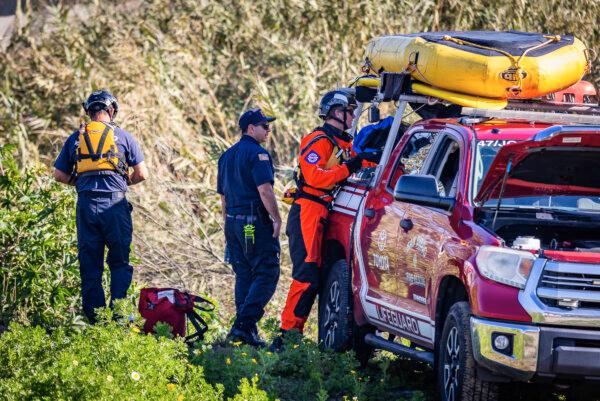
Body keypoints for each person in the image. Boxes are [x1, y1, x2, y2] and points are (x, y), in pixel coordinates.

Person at [272, 89, 363, 350]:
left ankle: (294, 335)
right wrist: (349, 167)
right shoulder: (318, 140)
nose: (353, 116)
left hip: (322, 212)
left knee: (316, 276)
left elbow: (359, 164)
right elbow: (316, 177)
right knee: (306, 275)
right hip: (308, 212)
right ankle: (287, 335)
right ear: (337, 112)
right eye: (350, 111)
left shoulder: (343, 143)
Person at [53, 89, 147, 323]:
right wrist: (124, 181)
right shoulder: (124, 137)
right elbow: (142, 174)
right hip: (115, 205)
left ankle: (96, 322)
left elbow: (59, 175)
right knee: (119, 262)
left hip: (86, 205)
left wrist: (80, 183)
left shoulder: (76, 137)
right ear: (111, 110)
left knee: (90, 265)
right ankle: (120, 318)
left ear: (89, 111)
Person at [217, 107, 282, 347]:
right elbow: (265, 190)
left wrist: (228, 227)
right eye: (264, 126)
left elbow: (223, 198)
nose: (268, 130)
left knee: (244, 274)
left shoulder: (226, 156)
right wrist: (276, 218)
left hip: (233, 223)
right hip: (253, 224)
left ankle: (245, 332)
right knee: (267, 272)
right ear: (250, 128)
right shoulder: (258, 155)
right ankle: (242, 327)